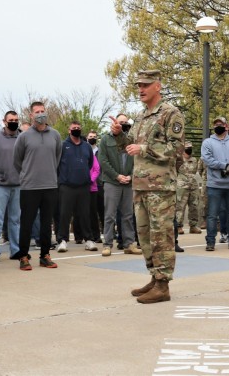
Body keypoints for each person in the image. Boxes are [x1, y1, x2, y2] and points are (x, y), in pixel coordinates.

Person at [109, 70, 185, 304]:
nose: (140, 89)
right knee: (145, 235)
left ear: (157, 86)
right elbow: (130, 146)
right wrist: (120, 136)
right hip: (141, 185)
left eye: (145, 84)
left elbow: (176, 150)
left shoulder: (171, 114)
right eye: (138, 85)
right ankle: (154, 277)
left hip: (161, 187)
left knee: (161, 235)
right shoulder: (142, 117)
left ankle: (163, 285)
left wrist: (144, 149)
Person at [13, 101, 62, 271]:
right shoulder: (24, 137)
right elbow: (17, 161)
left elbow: (57, 157)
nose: (40, 114)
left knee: (46, 223)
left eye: (43, 111)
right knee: (26, 223)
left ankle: (45, 255)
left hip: (50, 185)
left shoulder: (55, 135)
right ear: (31, 115)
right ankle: (23, 256)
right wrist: (27, 174)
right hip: (29, 187)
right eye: (37, 112)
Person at [98, 113, 142, 256]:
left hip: (129, 182)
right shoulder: (105, 140)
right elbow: (103, 161)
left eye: (124, 122)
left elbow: (138, 161)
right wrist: (117, 176)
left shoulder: (132, 140)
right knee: (109, 215)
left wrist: (130, 176)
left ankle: (129, 244)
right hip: (112, 182)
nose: (122, 124)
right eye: (120, 121)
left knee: (128, 215)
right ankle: (107, 244)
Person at [201, 117, 229, 251]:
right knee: (212, 215)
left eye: (221, 124)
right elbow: (207, 159)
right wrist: (225, 166)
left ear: (227, 126)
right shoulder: (207, 142)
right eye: (216, 124)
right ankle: (210, 242)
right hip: (214, 185)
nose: (218, 126)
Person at [0, 110, 22, 263]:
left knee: (15, 219)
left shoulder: (22, 138)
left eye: (16, 119)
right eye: (11, 119)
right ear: (4, 121)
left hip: (18, 185)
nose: (14, 122)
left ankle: (15, 250)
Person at [56, 121, 95, 252]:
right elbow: (57, 164)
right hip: (67, 186)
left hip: (83, 186)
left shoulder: (87, 146)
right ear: (69, 130)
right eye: (74, 128)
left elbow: (89, 164)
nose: (76, 130)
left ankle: (89, 240)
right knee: (64, 215)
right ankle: (62, 240)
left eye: (78, 128)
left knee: (85, 214)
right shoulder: (62, 145)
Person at [175, 141, 201, 235]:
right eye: (187, 148)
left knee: (194, 206)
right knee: (180, 207)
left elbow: (196, 172)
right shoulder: (178, 159)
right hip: (181, 186)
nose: (189, 149)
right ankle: (178, 226)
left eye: (190, 147)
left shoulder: (194, 159)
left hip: (193, 185)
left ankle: (193, 226)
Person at [86, 130, 104, 243]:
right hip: (88, 186)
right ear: (87, 138)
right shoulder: (85, 150)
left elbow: (100, 167)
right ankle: (90, 235)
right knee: (90, 211)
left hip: (100, 183)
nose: (92, 138)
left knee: (102, 210)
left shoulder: (101, 151)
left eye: (94, 136)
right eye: (90, 136)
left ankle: (107, 233)